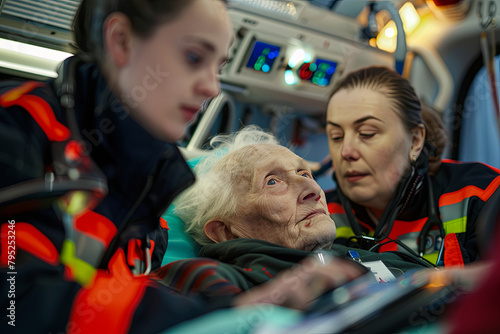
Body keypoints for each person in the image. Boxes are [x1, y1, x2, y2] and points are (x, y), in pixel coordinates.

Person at [0, 1, 359, 333]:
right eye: (193, 57)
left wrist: (245, 307)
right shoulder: (17, 132)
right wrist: (229, 313)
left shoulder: (150, 189)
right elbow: (16, 305)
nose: (211, 87)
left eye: (218, 66)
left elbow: (114, 300)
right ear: (121, 41)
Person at [154, 126, 431, 298]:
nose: (312, 187)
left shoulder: (376, 254)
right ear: (224, 231)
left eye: (304, 172)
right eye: (272, 181)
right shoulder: (212, 279)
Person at [324, 66, 500, 266]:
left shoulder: (484, 195)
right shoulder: (317, 210)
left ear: (415, 141)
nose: (346, 152)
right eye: (336, 137)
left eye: (367, 133)